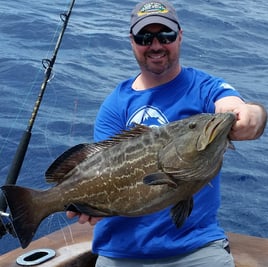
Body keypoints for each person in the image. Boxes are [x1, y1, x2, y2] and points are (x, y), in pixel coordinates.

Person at [67, 1, 267, 266]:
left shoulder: (204, 87)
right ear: (132, 41)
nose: (156, 45)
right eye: (144, 37)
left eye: (166, 35)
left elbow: (233, 105)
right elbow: (102, 168)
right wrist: (92, 205)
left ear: (180, 36)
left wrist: (251, 115)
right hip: (122, 251)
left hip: (198, 247)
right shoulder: (115, 105)